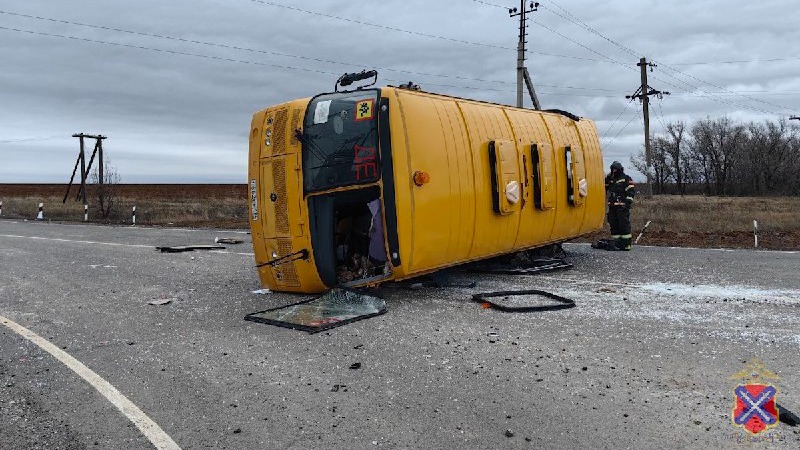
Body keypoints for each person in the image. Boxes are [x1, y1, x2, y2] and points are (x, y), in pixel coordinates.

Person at [604, 161, 635, 251]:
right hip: (613, 206)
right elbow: (604, 187)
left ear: (620, 169)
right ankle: (617, 243)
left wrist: (627, 203)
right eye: (612, 169)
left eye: (615, 169)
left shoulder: (626, 178)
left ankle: (626, 245)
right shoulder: (611, 179)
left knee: (624, 225)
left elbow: (631, 192)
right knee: (613, 224)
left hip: (622, 207)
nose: (614, 171)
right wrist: (608, 177)